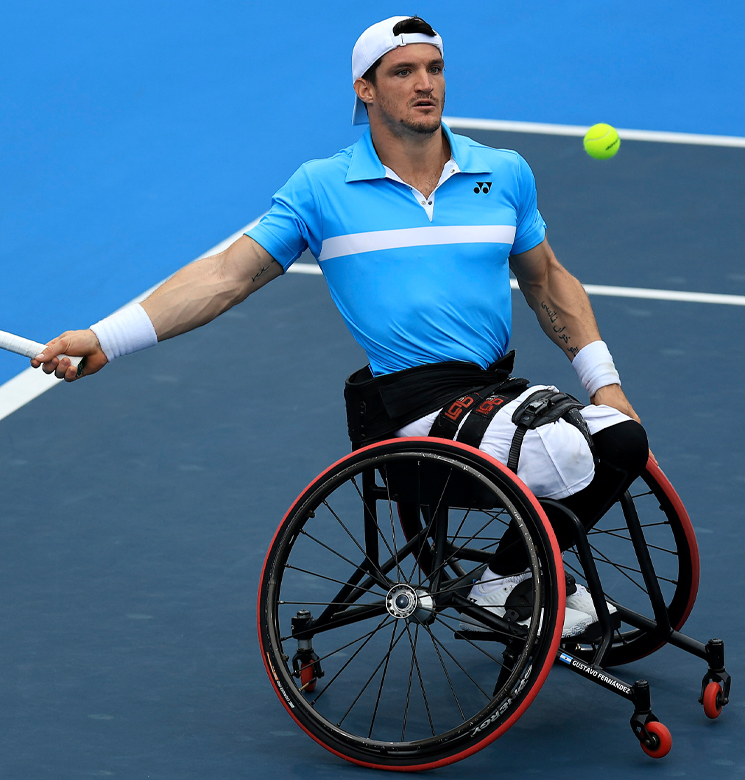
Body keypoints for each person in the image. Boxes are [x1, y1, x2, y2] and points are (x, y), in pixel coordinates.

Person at [33, 15, 649, 640]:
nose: (424, 84)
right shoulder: (322, 189)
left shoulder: (504, 173)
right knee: (566, 447)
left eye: (434, 69)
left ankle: (510, 576)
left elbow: (547, 280)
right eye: (402, 72)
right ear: (366, 89)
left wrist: (604, 381)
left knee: (622, 438)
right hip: (412, 408)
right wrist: (105, 337)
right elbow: (226, 276)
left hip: (491, 394)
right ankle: (511, 585)